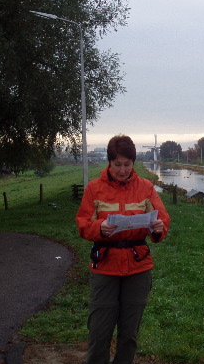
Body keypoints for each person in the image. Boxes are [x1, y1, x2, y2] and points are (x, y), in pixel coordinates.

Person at [75, 135, 171, 364]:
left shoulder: (146, 188)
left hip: (138, 267)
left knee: (129, 333)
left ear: (133, 163)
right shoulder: (94, 189)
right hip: (105, 267)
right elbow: (82, 223)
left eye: (127, 164)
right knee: (100, 331)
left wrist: (158, 228)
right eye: (117, 164)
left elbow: (162, 220)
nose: (122, 170)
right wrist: (100, 228)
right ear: (109, 162)